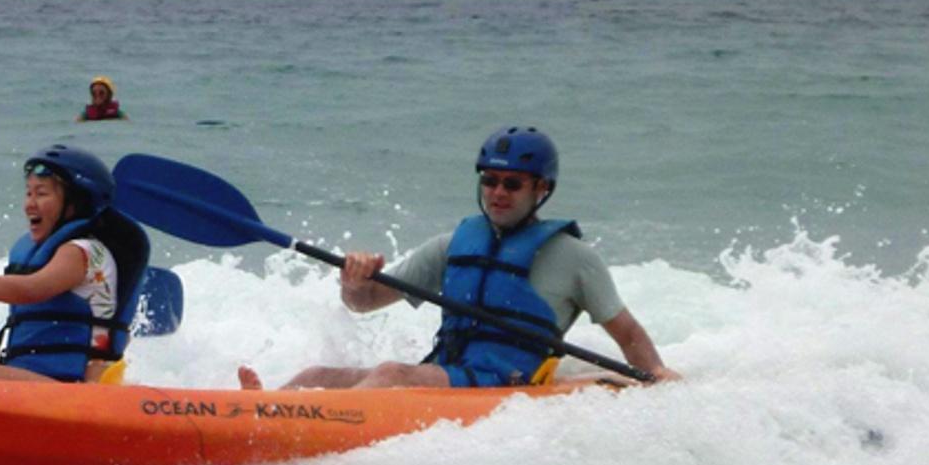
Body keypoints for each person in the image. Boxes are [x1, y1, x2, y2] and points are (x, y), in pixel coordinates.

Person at [239, 126, 681, 390]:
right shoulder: (453, 244)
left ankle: (295, 431)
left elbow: (627, 333)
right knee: (317, 375)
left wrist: (656, 375)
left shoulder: (575, 258)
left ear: (540, 189)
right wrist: (354, 282)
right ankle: (255, 413)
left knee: (393, 372)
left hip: (505, 384)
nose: (498, 193)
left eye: (513, 183)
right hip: (447, 374)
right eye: (490, 180)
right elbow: (365, 303)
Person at [0, 144, 151, 383]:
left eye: (41, 194)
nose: (29, 204)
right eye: (28, 193)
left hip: (81, 391)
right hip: (45, 387)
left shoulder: (82, 252)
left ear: (74, 204)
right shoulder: (48, 252)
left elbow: (30, 289)